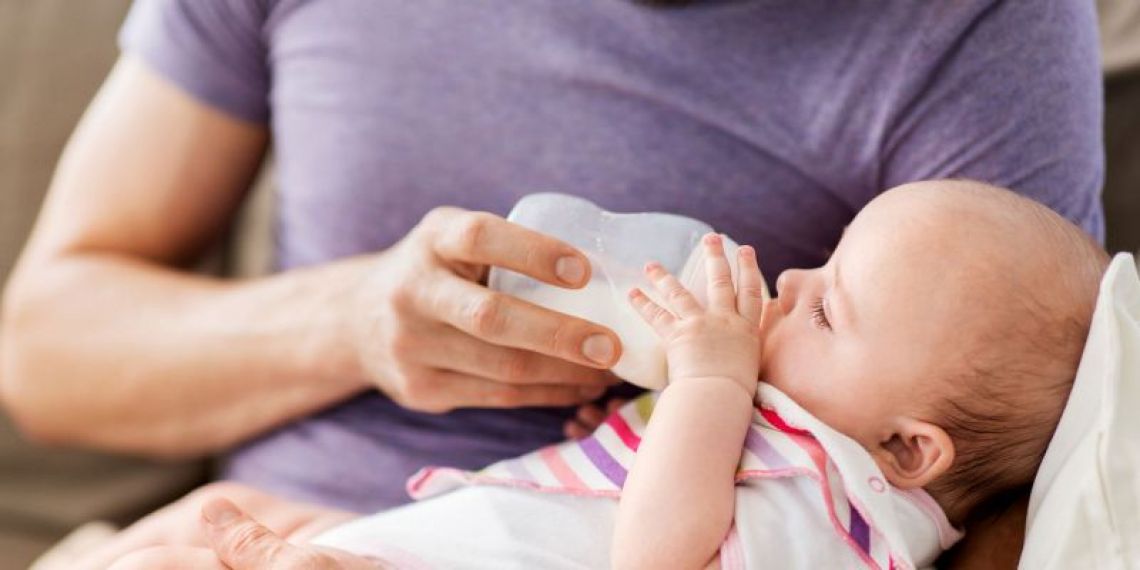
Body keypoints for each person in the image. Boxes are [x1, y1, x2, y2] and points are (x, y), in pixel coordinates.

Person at [0, 0, 1103, 566]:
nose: (788, 284)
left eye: (824, 296)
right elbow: (42, 354)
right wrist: (345, 324)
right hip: (267, 524)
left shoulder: (979, 26)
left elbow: (1046, 476)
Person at [92, 180, 1109, 568]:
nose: (791, 280)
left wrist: (708, 385)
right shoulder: (813, 458)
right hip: (423, 537)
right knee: (198, 523)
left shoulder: (838, 512)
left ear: (907, 449)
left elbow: (660, 553)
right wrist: (636, 438)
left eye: (830, 305)